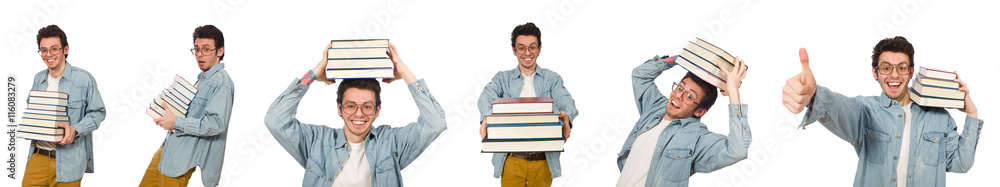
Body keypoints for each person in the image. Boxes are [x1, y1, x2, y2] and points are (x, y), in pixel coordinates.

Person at [781, 36, 982, 186]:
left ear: (911, 72)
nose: (894, 75)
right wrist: (814, 94)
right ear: (875, 72)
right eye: (886, 68)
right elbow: (838, 106)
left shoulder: (939, 117)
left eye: (902, 68)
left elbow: (960, 164)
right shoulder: (866, 111)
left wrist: (972, 114)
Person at [264, 42, 447, 186]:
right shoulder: (316, 141)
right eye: (350, 106)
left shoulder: (392, 142)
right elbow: (275, 120)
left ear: (377, 110)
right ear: (339, 109)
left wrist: (404, 71)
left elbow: (435, 123)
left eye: (367, 107)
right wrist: (313, 74)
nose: (359, 114)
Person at [616, 53, 750, 187]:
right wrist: (681, 58)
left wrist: (733, 92)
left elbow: (737, 150)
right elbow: (640, 75)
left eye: (689, 97)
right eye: (680, 87)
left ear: (700, 111)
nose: (678, 95)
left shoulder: (697, 138)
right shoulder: (655, 108)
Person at [477, 22, 577, 187]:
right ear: (514, 50)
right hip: (511, 161)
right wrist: (487, 118)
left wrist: (567, 119)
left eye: (532, 47)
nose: (527, 53)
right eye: (521, 48)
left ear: (539, 49)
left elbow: (565, 99)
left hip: (543, 161)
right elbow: (485, 98)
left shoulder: (552, 79)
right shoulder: (502, 79)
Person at [139, 25, 235, 187]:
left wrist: (175, 122)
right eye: (196, 49)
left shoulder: (222, 83)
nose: (199, 55)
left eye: (206, 49)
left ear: (220, 51)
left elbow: (217, 125)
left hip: (181, 160)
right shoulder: (203, 79)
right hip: (167, 150)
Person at [23, 24, 107, 187]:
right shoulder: (38, 78)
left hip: (70, 161)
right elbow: (32, 108)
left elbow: (98, 113)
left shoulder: (84, 79)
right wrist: (30, 126)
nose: (49, 54)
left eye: (54, 49)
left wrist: (75, 129)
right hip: (37, 158)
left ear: (65, 49)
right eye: (44, 50)